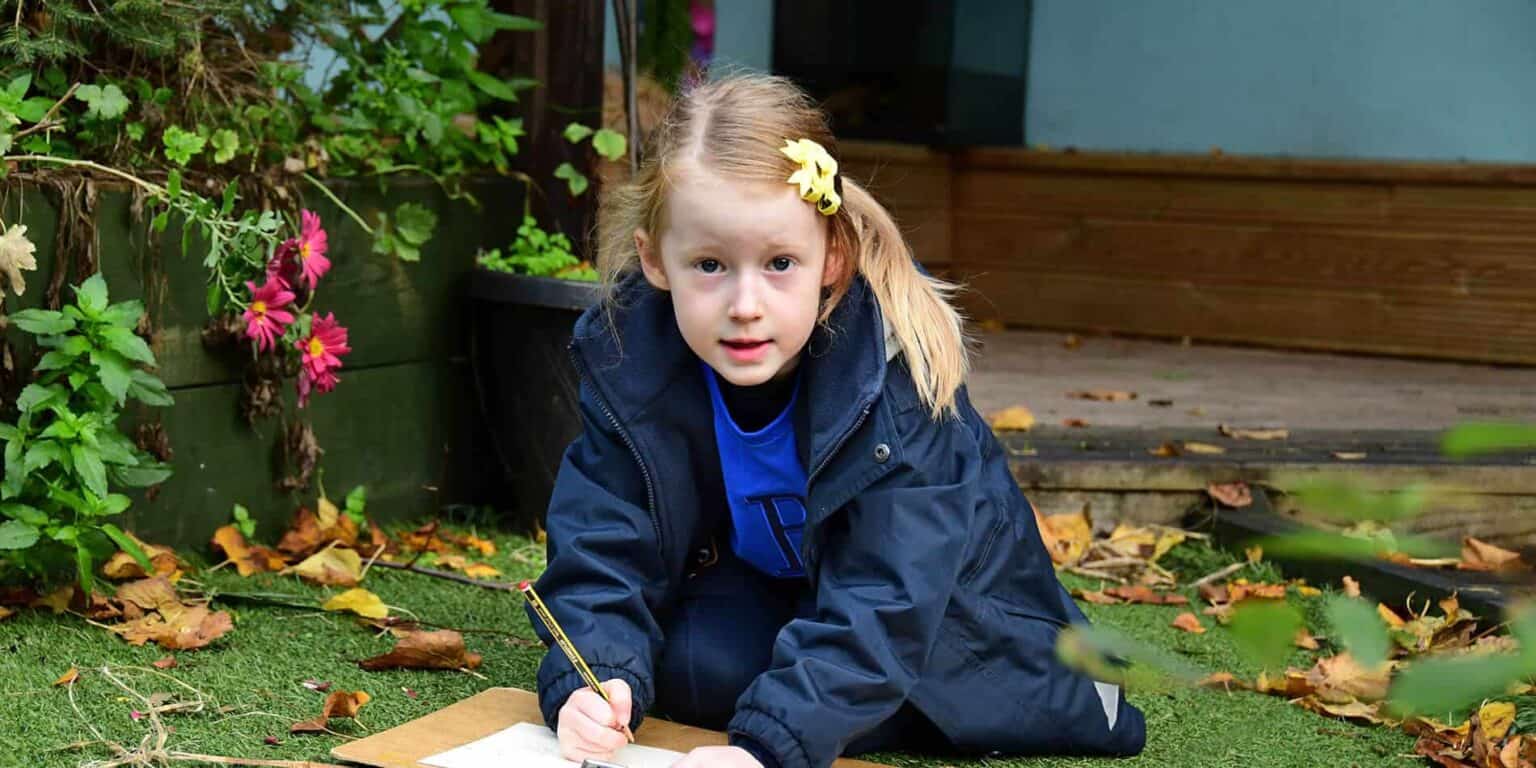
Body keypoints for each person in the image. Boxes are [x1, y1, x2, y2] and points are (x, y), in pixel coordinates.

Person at [526, 73, 1146, 768]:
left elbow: (889, 595)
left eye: (779, 263)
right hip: (802, 591)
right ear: (655, 261)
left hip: (958, 635)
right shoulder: (631, 357)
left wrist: (768, 747)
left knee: (800, 688)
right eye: (710, 265)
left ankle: (854, 709)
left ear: (833, 257)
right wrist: (595, 676)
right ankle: (817, 698)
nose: (745, 305)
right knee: (692, 669)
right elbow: (604, 538)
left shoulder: (898, 379)